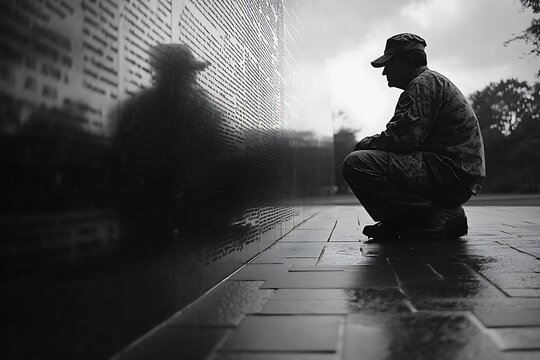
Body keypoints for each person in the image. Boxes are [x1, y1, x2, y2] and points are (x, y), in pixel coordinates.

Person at [342, 33, 485, 240]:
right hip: (451, 173)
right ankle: (414, 218)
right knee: (367, 158)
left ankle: (432, 215)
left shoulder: (422, 84)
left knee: (357, 163)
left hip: (450, 175)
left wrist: (365, 143)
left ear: (407, 61)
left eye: (389, 64)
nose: (384, 73)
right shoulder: (429, 82)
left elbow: (402, 140)